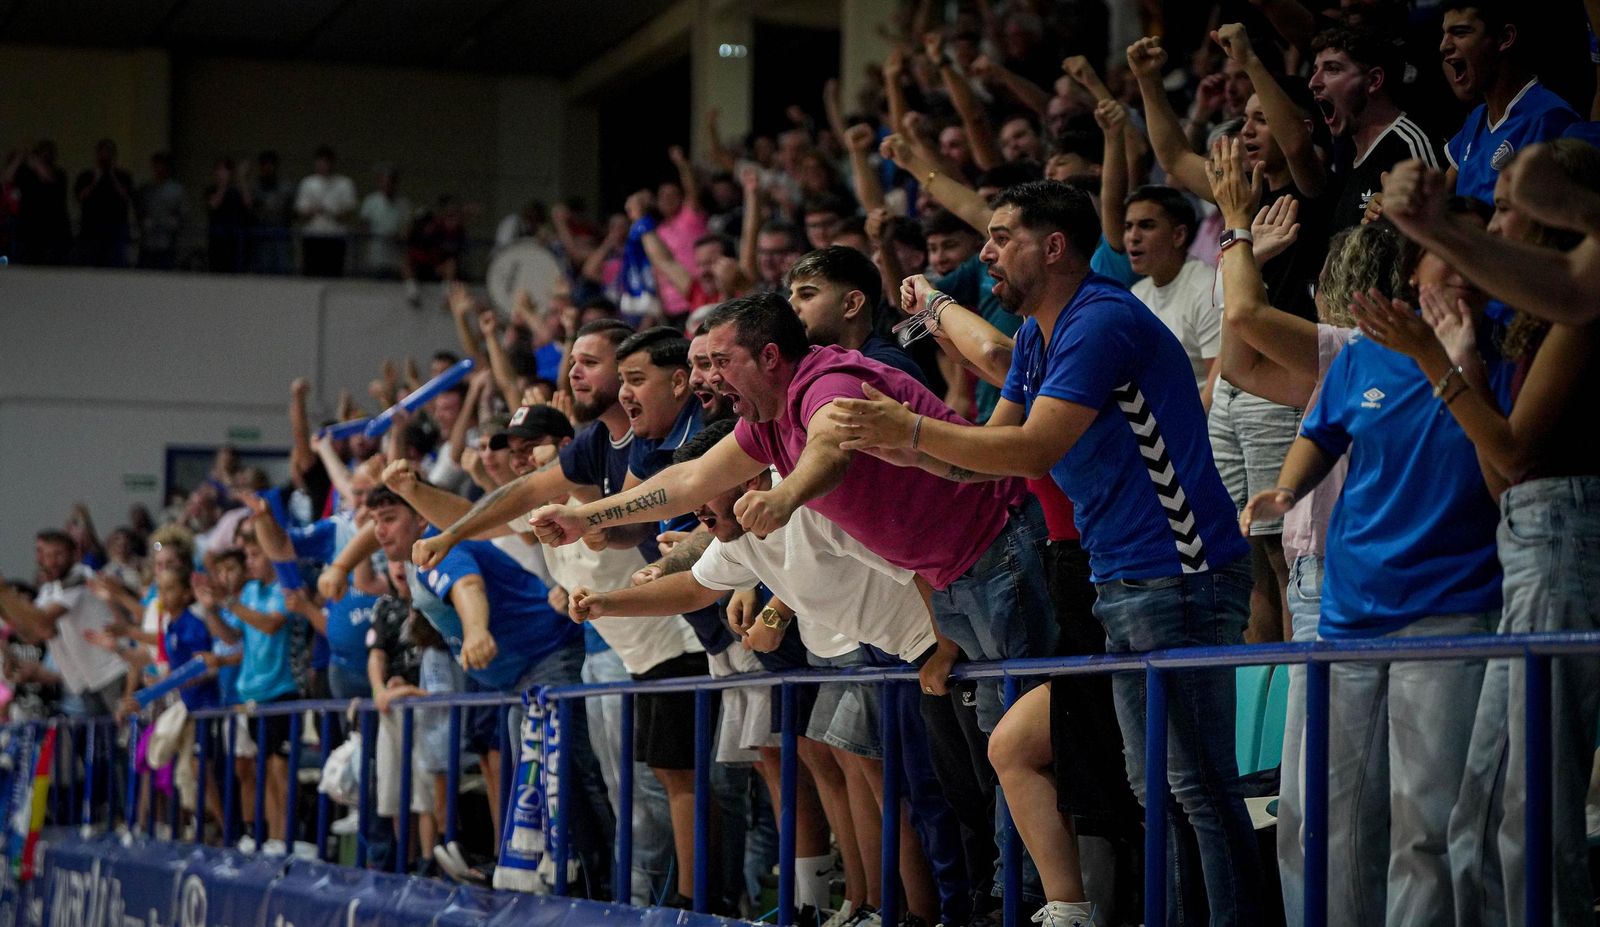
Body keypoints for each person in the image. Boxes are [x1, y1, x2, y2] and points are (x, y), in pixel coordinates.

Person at [829, 180, 1255, 927]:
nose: (986, 253)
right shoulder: (1036, 336)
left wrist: (914, 430)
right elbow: (993, 454)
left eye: (1002, 238)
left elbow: (1034, 447)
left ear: (1054, 247)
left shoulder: (1099, 320)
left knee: (1198, 787)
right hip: (1118, 576)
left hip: (1180, 567)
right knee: (1154, 786)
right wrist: (902, 450)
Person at [1241, 183, 1518, 927]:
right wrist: (1288, 488)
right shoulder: (1362, 355)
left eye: (1476, 253)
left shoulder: (1509, 351)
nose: (1462, 268)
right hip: (1348, 612)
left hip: (1450, 611)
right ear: (1414, 269)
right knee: (1326, 815)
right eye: (1445, 253)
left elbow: (1508, 470)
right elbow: (1322, 431)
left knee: (1425, 822)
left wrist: (1454, 362)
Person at [571, 417, 970, 927]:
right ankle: (918, 913)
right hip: (888, 652)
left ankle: (953, 913)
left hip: (925, 646)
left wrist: (944, 646)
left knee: (938, 797)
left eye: (705, 492)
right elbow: (694, 588)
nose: (697, 510)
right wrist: (607, 603)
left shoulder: (810, 506)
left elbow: (915, 558)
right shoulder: (738, 530)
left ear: (751, 478)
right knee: (908, 793)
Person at [1378, 140, 1600, 927]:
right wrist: (1464, 364)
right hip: (1533, 538)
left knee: (1527, 805)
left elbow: (1513, 452)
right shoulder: (1530, 327)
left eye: (1507, 209)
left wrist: (1436, 360)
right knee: (1485, 805)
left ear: (1554, 219)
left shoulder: (1578, 314)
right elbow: (1505, 482)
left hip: (1565, 539)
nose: (1497, 224)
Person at [1440, 0, 1579, 202]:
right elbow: (1438, 201)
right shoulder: (1477, 118)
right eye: (1444, 34)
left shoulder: (1550, 117)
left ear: (1505, 38)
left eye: (1460, 32)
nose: (1444, 45)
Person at [1307, 26, 1445, 230]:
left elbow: (1439, 234)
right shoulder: (1353, 159)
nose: (1313, 83)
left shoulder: (1410, 144)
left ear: (1373, 80)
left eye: (1332, 69)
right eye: (1315, 70)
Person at [0, 531, 130, 714]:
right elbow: (34, 632)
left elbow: (43, 620)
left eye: (58, 554)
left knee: (127, 729)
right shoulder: (50, 589)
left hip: (112, 670)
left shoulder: (80, 577)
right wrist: (3, 604)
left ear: (74, 554)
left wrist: (4, 593)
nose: (52, 561)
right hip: (86, 680)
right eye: (47, 555)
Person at [1124, 185, 1219, 401]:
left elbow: (1219, 385)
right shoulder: (1137, 293)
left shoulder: (1207, 289)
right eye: (1128, 227)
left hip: (1199, 416)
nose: (1133, 237)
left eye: (1146, 226)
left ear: (1178, 235)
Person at [295, 145, 357, 277]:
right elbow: (301, 213)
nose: (322, 166)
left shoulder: (345, 183)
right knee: (311, 275)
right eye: (319, 162)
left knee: (334, 275)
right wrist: (314, 210)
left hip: (336, 237)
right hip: (313, 236)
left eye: (325, 162)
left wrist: (330, 212)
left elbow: (349, 213)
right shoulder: (307, 183)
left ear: (332, 163)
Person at [74, 139, 134, 267]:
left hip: (115, 229)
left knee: (115, 265)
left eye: (108, 154)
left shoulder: (123, 176)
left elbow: (127, 196)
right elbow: (80, 196)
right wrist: (95, 179)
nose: (105, 158)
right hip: (91, 229)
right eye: (102, 153)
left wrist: (112, 176)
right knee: (89, 264)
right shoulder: (86, 176)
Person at [135, 152, 186, 270]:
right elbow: (139, 210)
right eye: (156, 166)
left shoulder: (176, 190)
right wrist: (143, 221)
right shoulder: (145, 189)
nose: (158, 169)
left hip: (167, 242)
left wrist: (174, 222)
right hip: (147, 242)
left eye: (161, 166)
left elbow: (182, 213)